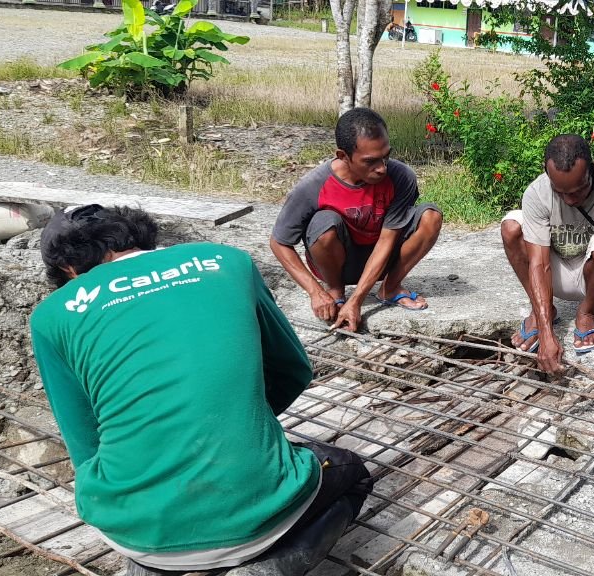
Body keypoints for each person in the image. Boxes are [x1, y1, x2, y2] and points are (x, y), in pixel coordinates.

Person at [30, 205, 373, 575]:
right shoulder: (226, 261)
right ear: (138, 235)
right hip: (258, 511)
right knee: (352, 472)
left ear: (68, 269)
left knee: (138, 512)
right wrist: (233, 422)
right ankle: (267, 569)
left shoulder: (51, 316)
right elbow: (292, 370)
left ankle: (150, 565)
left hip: (134, 530)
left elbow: (85, 446)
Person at [270, 107, 442, 332]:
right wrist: (315, 291)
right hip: (339, 264)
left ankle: (389, 288)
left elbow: (387, 241)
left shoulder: (401, 177)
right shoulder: (313, 186)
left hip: (382, 260)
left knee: (430, 216)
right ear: (343, 156)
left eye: (386, 156)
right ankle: (334, 290)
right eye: (370, 161)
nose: (381, 168)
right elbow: (279, 242)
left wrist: (357, 300)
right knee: (324, 223)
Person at [501, 134, 594, 374]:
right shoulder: (537, 192)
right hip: (556, 276)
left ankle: (587, 311)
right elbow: (539, 265)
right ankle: (543, 310)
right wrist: (545, 331)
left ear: (592, 169)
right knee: (512, 226)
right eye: (560, 192)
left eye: (579, 190)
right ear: (547, 173)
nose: (570, 200)